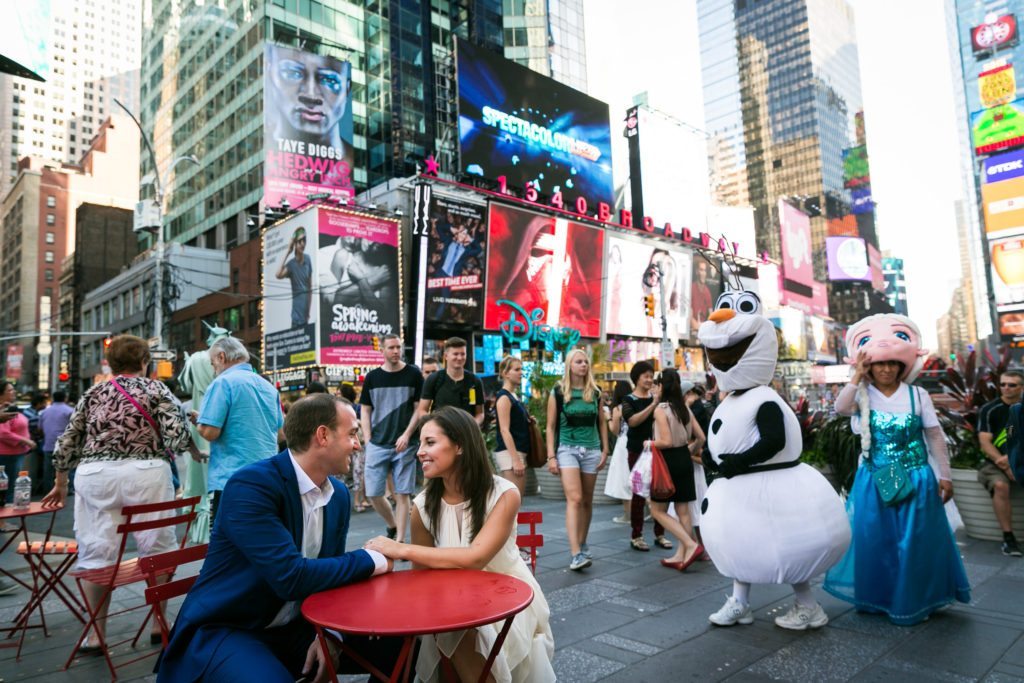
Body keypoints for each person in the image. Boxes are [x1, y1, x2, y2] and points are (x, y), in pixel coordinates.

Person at [156, 395, 402, 683]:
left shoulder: (338, 495)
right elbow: (290, 577)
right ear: (322, 435)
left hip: (297, 627)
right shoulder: (252, 485)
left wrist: (330, 635)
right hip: (231, 628)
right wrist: (374, 558)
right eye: (352, 433)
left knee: (403, 646)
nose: (358, 443)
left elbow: (330, 576)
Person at [365, 407, 555, 683]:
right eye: (420, 443)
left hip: (506, 597)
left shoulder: (503, 494)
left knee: (458, 632)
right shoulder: (422, 506)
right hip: (450, 599)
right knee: (447, 629)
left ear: (460, 446)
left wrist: (400, 548)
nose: (419, 451)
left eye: (430, 442)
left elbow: (476, 558)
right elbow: (422, 575)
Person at [42, 335, 192, 648]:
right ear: (144, 361)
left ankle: (96, 633)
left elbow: (68, 440)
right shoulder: (156, 388)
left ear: (111, 364)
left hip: (96, 474)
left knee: (96, 550)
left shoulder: (93, 392)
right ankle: (158, 623)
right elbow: (178, 438)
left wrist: (60, 482)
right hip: (146, 472)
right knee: (159, 546)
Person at [825, 314, 971, 625]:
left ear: (903, 366)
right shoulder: (862, 394)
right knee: (875, 540)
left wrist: (945, 476)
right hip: (873, 479)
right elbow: (839, 409)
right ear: (870, 366)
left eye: (893, 363)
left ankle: (917, 600)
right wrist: (856, 377)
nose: (887, 369)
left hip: (918, 478)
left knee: (915, 541)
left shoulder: (918, 395)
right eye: (880, 364)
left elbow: (934, 436)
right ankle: (878, 598)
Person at [196, 337, 284, 523]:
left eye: (213, 364)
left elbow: (210, 432)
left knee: (226, 545)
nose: (214, 370)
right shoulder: (268, 387)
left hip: (233, 479)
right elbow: (281, 434)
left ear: (221, 357)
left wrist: (199, 423)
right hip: (268, 477)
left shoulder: (223, 383)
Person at [545, 349, 608, 571]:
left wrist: (605, 449)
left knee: (588, 501)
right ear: (570, 365)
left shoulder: (596, 392)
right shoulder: (559, 392)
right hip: (567, 449)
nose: (583, 365)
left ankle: (582, 541)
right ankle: (575, 554)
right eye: (578, 361)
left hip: (591, 450)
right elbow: (550, 426)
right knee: (575, 498)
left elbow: (602, 423)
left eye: (585, 361)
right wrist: (551, 456)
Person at [359, 334, 423, 543]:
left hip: (405, 444)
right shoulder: (373, 377)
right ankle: (393, 526)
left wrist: (407, 434)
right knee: (374, 493)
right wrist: (368, 440)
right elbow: (365, 411)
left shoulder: (413, 374)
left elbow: (419, 409)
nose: (396, 351)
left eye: (398, 347)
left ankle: (400, 541)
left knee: (403, 494)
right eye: (391, 348)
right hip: (377, 442)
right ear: (383, 350)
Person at [646, 369, 705, 571]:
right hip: (684, 459)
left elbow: (665, 441)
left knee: (657, 510)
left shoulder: (661, 410)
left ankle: (690, 545)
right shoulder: (684, 409)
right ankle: (681, 554)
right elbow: (701, 438)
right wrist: (689, 451)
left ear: (662, 386)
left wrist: (649, 443)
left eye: (656, 384)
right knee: (683, 511)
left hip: (667, 461)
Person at [621, 361, 668, 551]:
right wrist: (654, 404)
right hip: (636, 451)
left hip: (657, 448)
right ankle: (637, 535)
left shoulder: (657, 398)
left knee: (660, 491)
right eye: (646, 376)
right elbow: (632, 421)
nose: (650, 379)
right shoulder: (628, 400)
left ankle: (660, 534)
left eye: (651, 376)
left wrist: (657, 401)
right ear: (637, 378)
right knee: (639, 493)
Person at [977, 370, 1023, 557]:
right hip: (995, 463)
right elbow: (985, 441)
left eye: (1011, 385)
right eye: (1002, 384)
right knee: (1000, 485)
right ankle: (1008, 538)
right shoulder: (990, 409)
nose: (1005, 388)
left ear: (1021, 388)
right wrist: (1004, 462)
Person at [417, 338, 484, 426]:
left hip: (466, 433)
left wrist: (472, 426)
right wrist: (433, 426)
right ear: (446, 356)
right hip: (441, 430)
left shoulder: (475, 381)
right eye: (455, 354)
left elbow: (480, 413)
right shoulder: (434, 379)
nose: (459, 358)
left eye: (463, 354)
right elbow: (422, 410)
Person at [493, 356, 531, 496]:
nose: (521, 372)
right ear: (505, 373)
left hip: (516, 452)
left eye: (521, 369)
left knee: (515, 501)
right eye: (517, 369)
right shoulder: (504, 397)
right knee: (513, 502)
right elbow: (504, 430)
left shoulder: (513, 396)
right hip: (510, 454)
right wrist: (516, 459)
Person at [604, 380, 635, 524]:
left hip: (623, 444)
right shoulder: (635, 404)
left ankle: (628, 515)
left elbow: (615, 430)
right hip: (637, 442)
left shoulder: (618, 408)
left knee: (623, 479)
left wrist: (608, 418)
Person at [0, 381, 34, 508]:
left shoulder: (10, 407)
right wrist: (26, 441)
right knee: (6, 489)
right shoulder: (3, 410)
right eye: (9, 390)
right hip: (6, 454)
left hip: (16, 454)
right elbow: (3, 433)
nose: (13, 392)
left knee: (10, 487)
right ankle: (3, 522)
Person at [339, 383, 370, 512]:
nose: (336, 395)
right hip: (348, 444)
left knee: (358, 472)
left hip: (358, 444)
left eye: (339, 393)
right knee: (346, 473)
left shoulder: (357, 408)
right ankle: (351, 501)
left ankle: (357, 501)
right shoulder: (338, 409)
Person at [275, 226, 313, 328]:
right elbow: (278, 275)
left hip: (305, 317)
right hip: (296, 318)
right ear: (295, 244)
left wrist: (308, 312)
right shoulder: (291, 265)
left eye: (304, 241)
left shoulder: (308, 260)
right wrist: (288, 251)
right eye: (299, 241)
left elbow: (310, 288)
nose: (302, 244)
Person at [39, 390, 74, 494]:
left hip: (48, 444)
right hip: (65, 445)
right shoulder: (70, 411)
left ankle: (48, 490)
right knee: (68, 468)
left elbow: (40, 429)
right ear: (65, 398)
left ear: (53, 398)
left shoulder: (45, 412)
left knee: (48, 470)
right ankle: (69, 489)